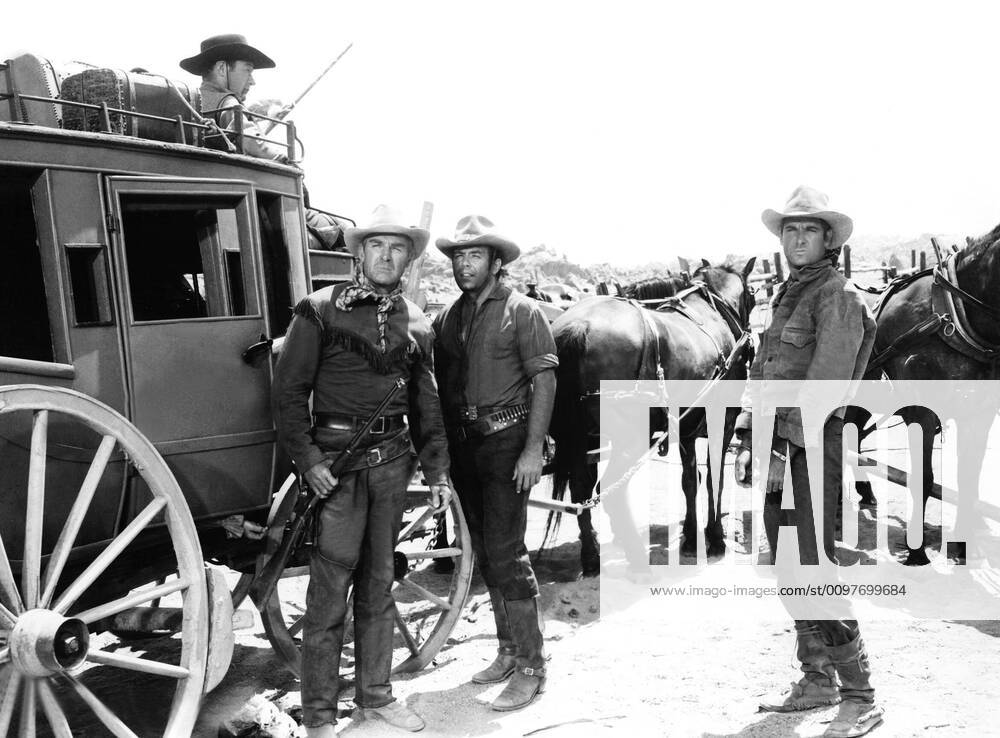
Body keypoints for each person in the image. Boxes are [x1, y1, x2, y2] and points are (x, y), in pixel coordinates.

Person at [273, 204, 452, 735]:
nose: (386, 255)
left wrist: (438, 474)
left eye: (397, 248)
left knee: (379, 585)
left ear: (407, 259)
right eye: (376, 245)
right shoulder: (318, 309)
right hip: (337, 466)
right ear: (359, 253)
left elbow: (427, 407)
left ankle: (375, 697)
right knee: (328, 593)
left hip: (393, 464)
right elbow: (288, 394)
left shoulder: (415, 320)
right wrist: (309, 462)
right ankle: (319, 716)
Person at [733, 186, 882, 738]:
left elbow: (822, 389)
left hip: (812, 446)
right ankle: (816, 679)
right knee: (788, 563)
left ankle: (860, 692)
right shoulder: (783, 298)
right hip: (778, 446)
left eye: (809, 230)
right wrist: (749, 440)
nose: (798, 238)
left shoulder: (838, 297)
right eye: (790, 230)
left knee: (811, 563)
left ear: (827, 240)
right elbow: (762, 377)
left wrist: (776, 448)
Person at [432, 215, 557, 711]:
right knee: (483, 551)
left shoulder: (522, 312)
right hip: (467, 448)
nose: (465, 264)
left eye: (475, 256)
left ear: (496, 262)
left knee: (507, 551)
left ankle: (532, 665)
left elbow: (544, 382)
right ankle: (506, 651)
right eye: (459, 257)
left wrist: (532, 448)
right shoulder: (449, 317)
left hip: (508, 444)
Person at [179, 34, 288, 160]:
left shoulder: (189, 100)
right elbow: (251, 142)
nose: (252, 81)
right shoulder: (228, 102)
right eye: (247, 70)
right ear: (221, 69)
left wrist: (269, 124)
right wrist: (282, 158)